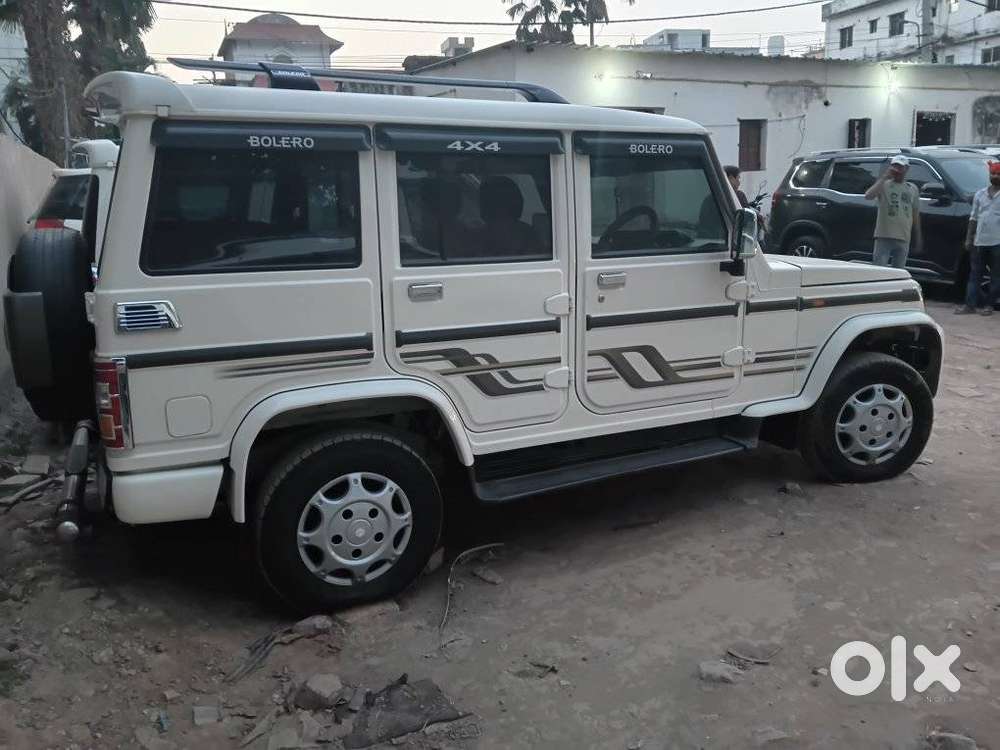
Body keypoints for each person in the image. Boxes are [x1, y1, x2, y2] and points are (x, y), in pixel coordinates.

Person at [955, 160, 1000, 316]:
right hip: (979, 241)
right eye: (993, 173)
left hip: (997, 242)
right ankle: (970, 305)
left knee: (996, 276)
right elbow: (973, 218)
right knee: (975, 275)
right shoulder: (980, 194)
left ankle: (989, 306)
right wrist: (969, 238)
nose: (995, 176)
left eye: (998, 174)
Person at [864, 155, 922, 268]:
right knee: (879, 269)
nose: (897, 170)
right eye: (894, 166)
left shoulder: (912, 188)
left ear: (906, 169)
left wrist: (918, 236)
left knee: (899, 270)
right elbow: (868, 195)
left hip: (903, 236)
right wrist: (884, 177)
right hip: (884, 235)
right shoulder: (884, 184)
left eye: (900, 167)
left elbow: (915, 213)